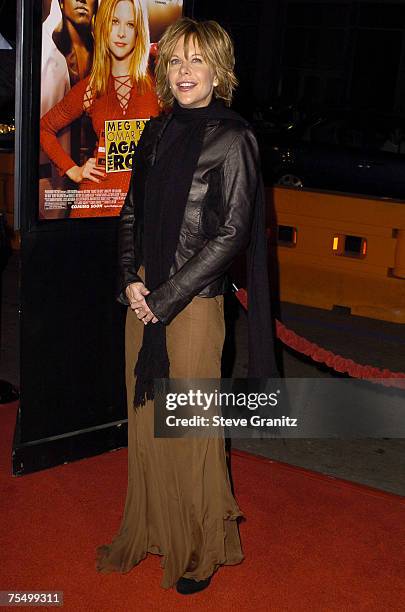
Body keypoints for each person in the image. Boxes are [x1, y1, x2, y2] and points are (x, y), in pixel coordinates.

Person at [95, 17, 278, 594]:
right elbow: (131, 212)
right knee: (146, 421)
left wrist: (167, 297)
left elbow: (233, 231)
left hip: (191, 302)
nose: (185, 72)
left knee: (191, 426)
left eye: (197, 61)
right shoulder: (156, 132)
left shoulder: (235, 137)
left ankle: (201, 547)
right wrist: (130, 279)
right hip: (144, 298)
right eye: (176, 60)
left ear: (218, 70)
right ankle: (150, 528)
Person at [40, 0, 160, 218]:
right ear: (103, 25)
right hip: (95, 203)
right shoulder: (90, 87)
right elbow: (43, 128)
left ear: (139, 31)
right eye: (115, 22)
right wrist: (74, 170)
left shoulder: (157, 84)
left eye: (130, 25)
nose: (122, 33)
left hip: (142, 204)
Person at [40, 0, 98, 218]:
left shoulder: (109, 52)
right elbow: (44, 127)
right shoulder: (47, 52)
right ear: (61, 3)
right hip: (55, 176)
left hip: (99, 182)